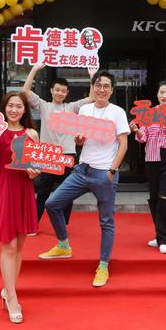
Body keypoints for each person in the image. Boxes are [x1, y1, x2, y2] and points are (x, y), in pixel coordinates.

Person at [39, 70, 130, 288]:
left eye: (106, 86)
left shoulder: (117, 112)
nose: (101, 89)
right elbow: (81, 141)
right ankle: (63, 245)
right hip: (82, 170)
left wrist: (112, 170)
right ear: (93, 86)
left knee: (106, 221)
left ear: (111, 90)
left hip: (104, 173)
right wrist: (79, 139)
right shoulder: (86, 109)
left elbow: (124, 143)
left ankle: (103, 265)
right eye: (98, 85)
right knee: (52, 204)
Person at [0, 91, 40, 324]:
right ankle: (12, 296)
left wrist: (34, 171)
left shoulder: (32, 133)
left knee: (20, 244)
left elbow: (34, 167)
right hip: (3, 189)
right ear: (4, 108)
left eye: (19, 106)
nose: (14, 110)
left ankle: (7, 289)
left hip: (23, 190)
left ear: (25, 110)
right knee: (10, 245)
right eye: (10, 105)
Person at [23, 63, 96, 226]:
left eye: (63, 91)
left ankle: (62, 224)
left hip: (67, 155)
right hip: (48, 155)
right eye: (57, 90)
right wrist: (34, 69)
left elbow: (91, 98)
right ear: (51, 90)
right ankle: (33, 224)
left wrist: (92, 76)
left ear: (67, 93)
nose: (60, 93)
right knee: (42, 192)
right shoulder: (44, 106)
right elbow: (26, 92)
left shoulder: (72, 107)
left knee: (67, 193)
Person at [130, 81, 166, 254]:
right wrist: (136, 130)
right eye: (162, 92)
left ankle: (165, 239)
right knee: (154, 198)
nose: (164, 95)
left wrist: (165, 126)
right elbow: (143, 136)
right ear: (157, 94)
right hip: (151, 157)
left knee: (165, 198)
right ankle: (160, 235)